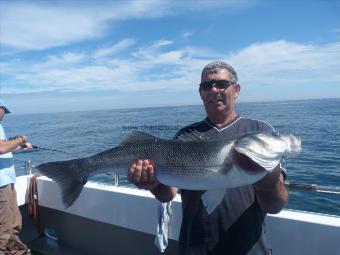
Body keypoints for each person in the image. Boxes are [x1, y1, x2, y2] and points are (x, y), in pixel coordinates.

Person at [128, 61, 288, 255]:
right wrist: (153, 184)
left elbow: (274, 206)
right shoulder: (185, 136)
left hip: (250, 250)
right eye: (206, 86)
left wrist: (269, 181)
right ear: (201, 94)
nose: (214, 90)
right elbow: (167, 194)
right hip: (195, 249)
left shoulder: (260, 132)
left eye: (221, 84)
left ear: (236, 90)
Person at [0, 99, 33, 255]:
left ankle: (16, 250)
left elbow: (4, 146)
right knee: (4, 226)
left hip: (7, 180)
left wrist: (18, 146)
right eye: (3, 110)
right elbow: (1, 148)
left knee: (13, 221)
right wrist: (22, 139)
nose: (4, 114)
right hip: (1, 184)